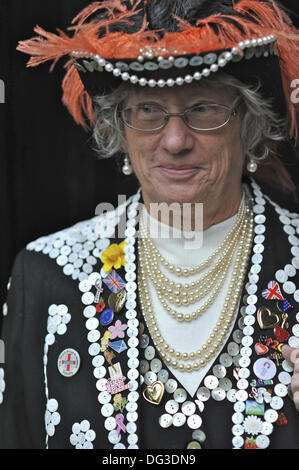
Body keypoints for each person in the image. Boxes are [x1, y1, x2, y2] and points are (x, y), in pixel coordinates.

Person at [1, 0, 299, 449]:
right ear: (120, 128)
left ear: (249, 124)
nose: (175, 141)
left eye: (203, 109)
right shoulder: (46, 275)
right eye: (148, 111)